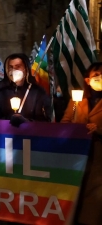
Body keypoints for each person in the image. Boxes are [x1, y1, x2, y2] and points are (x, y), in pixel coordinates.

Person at [61, 62, 102, 225]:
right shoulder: (78, 100)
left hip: (99, 159)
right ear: (87, 80)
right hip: (78, 159)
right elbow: (65, 122)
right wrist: (74, 128)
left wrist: (98, 129)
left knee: (95, 202)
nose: (99, 78)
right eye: (96, 75)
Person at [0, 53, 52, 126]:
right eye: (11, 67)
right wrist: (9, 118)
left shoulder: (38, 93)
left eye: (17, 66)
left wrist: (27, 122)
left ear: (26, 69)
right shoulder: (0, 94)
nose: (13, 70)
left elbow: (46, 121)